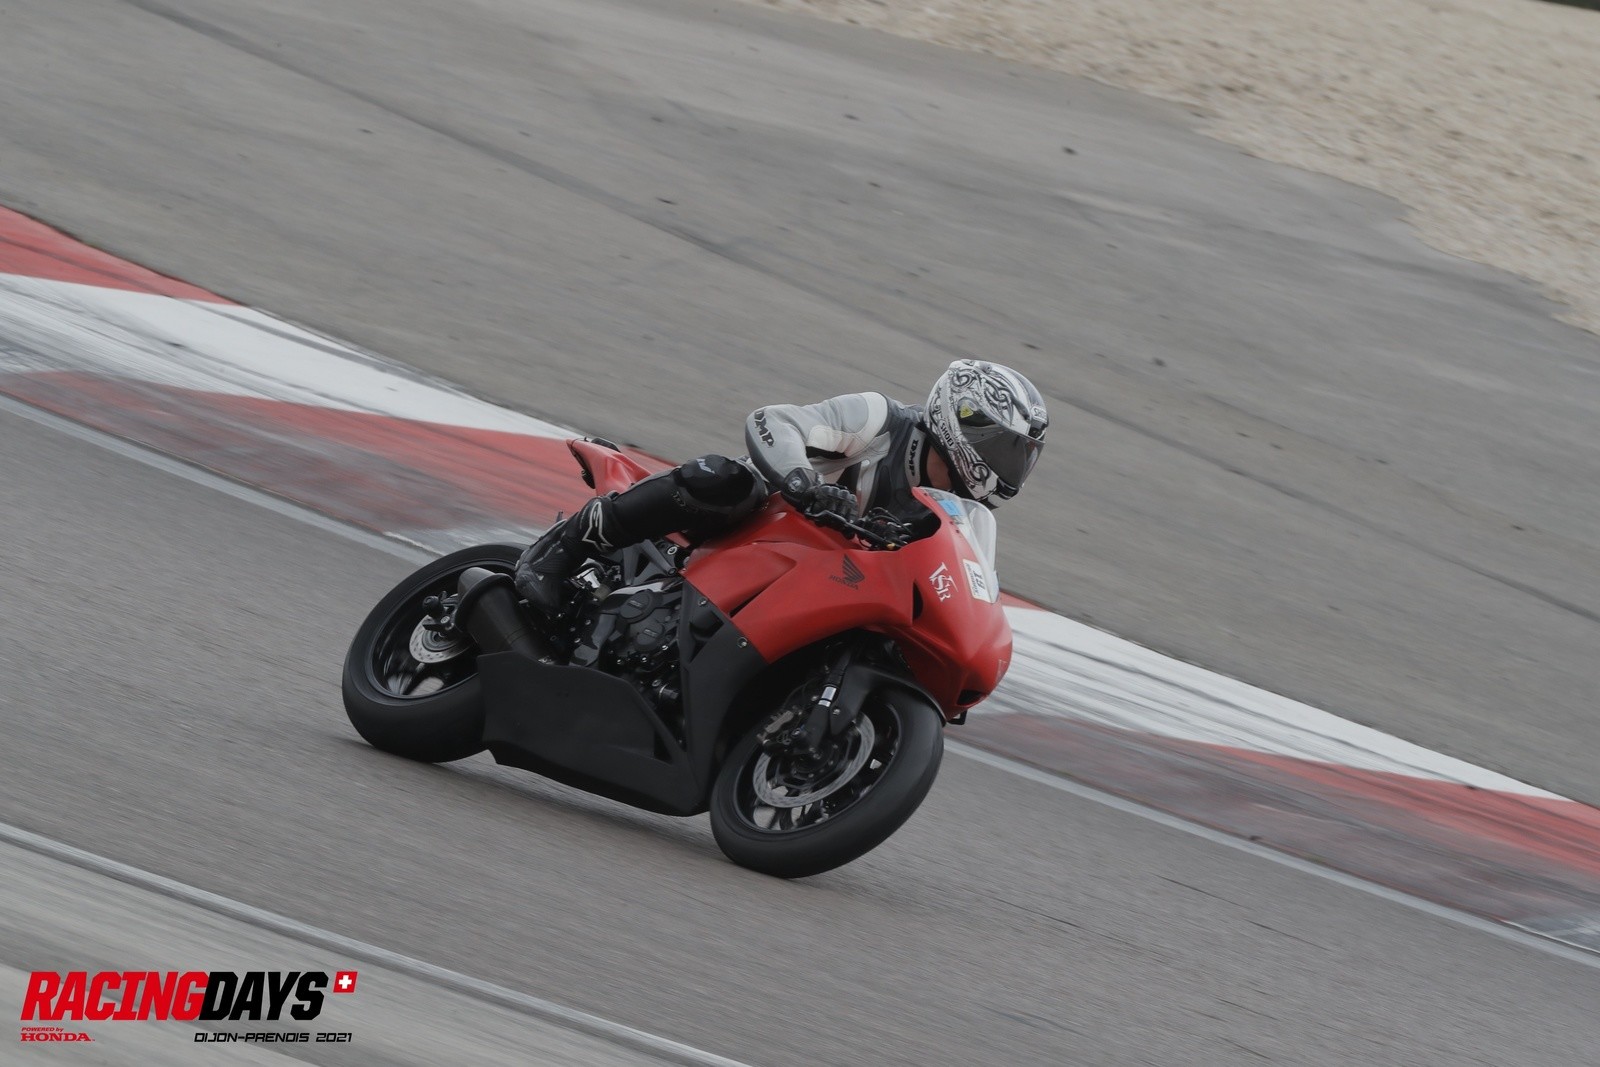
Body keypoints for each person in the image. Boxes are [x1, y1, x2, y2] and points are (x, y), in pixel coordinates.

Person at [514, 359, 1049, 616]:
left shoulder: (965, 518)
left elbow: (971, 595)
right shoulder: (882, 420)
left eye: (1021, 456)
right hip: (758, 528)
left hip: (827, 584)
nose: (1011, 467)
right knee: (729, 482)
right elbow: (776, 421)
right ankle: (569, 544)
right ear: (963, 422)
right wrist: (803, 483)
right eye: (1006, 449)